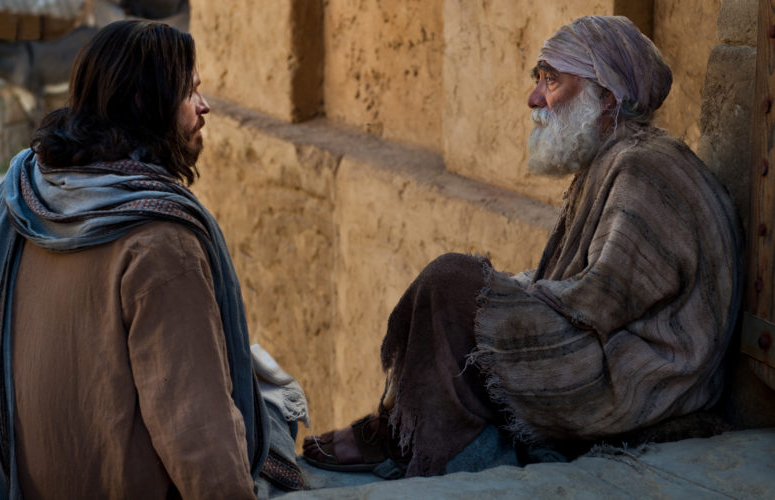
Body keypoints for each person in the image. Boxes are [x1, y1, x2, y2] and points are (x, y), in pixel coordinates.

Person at [303, 15, 742, 478]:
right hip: (619, 354)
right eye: (538, 80)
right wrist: (509, 292)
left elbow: (599, 303)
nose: (534, 98)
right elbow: (581, 287)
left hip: (641, 381)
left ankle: (417, 438)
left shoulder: (643, 169)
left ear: (607, 98)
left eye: (551, 81)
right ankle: (400, 428)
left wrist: (502, 297)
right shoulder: (616, 158)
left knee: (452, 284)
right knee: (464, 294)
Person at [0, 20, 307, 499]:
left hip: (12, 486)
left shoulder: (22, 193)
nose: (204, 106)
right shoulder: (159, 241)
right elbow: (198, 437)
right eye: (190, 93)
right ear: (144, 106)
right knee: (273, 400)